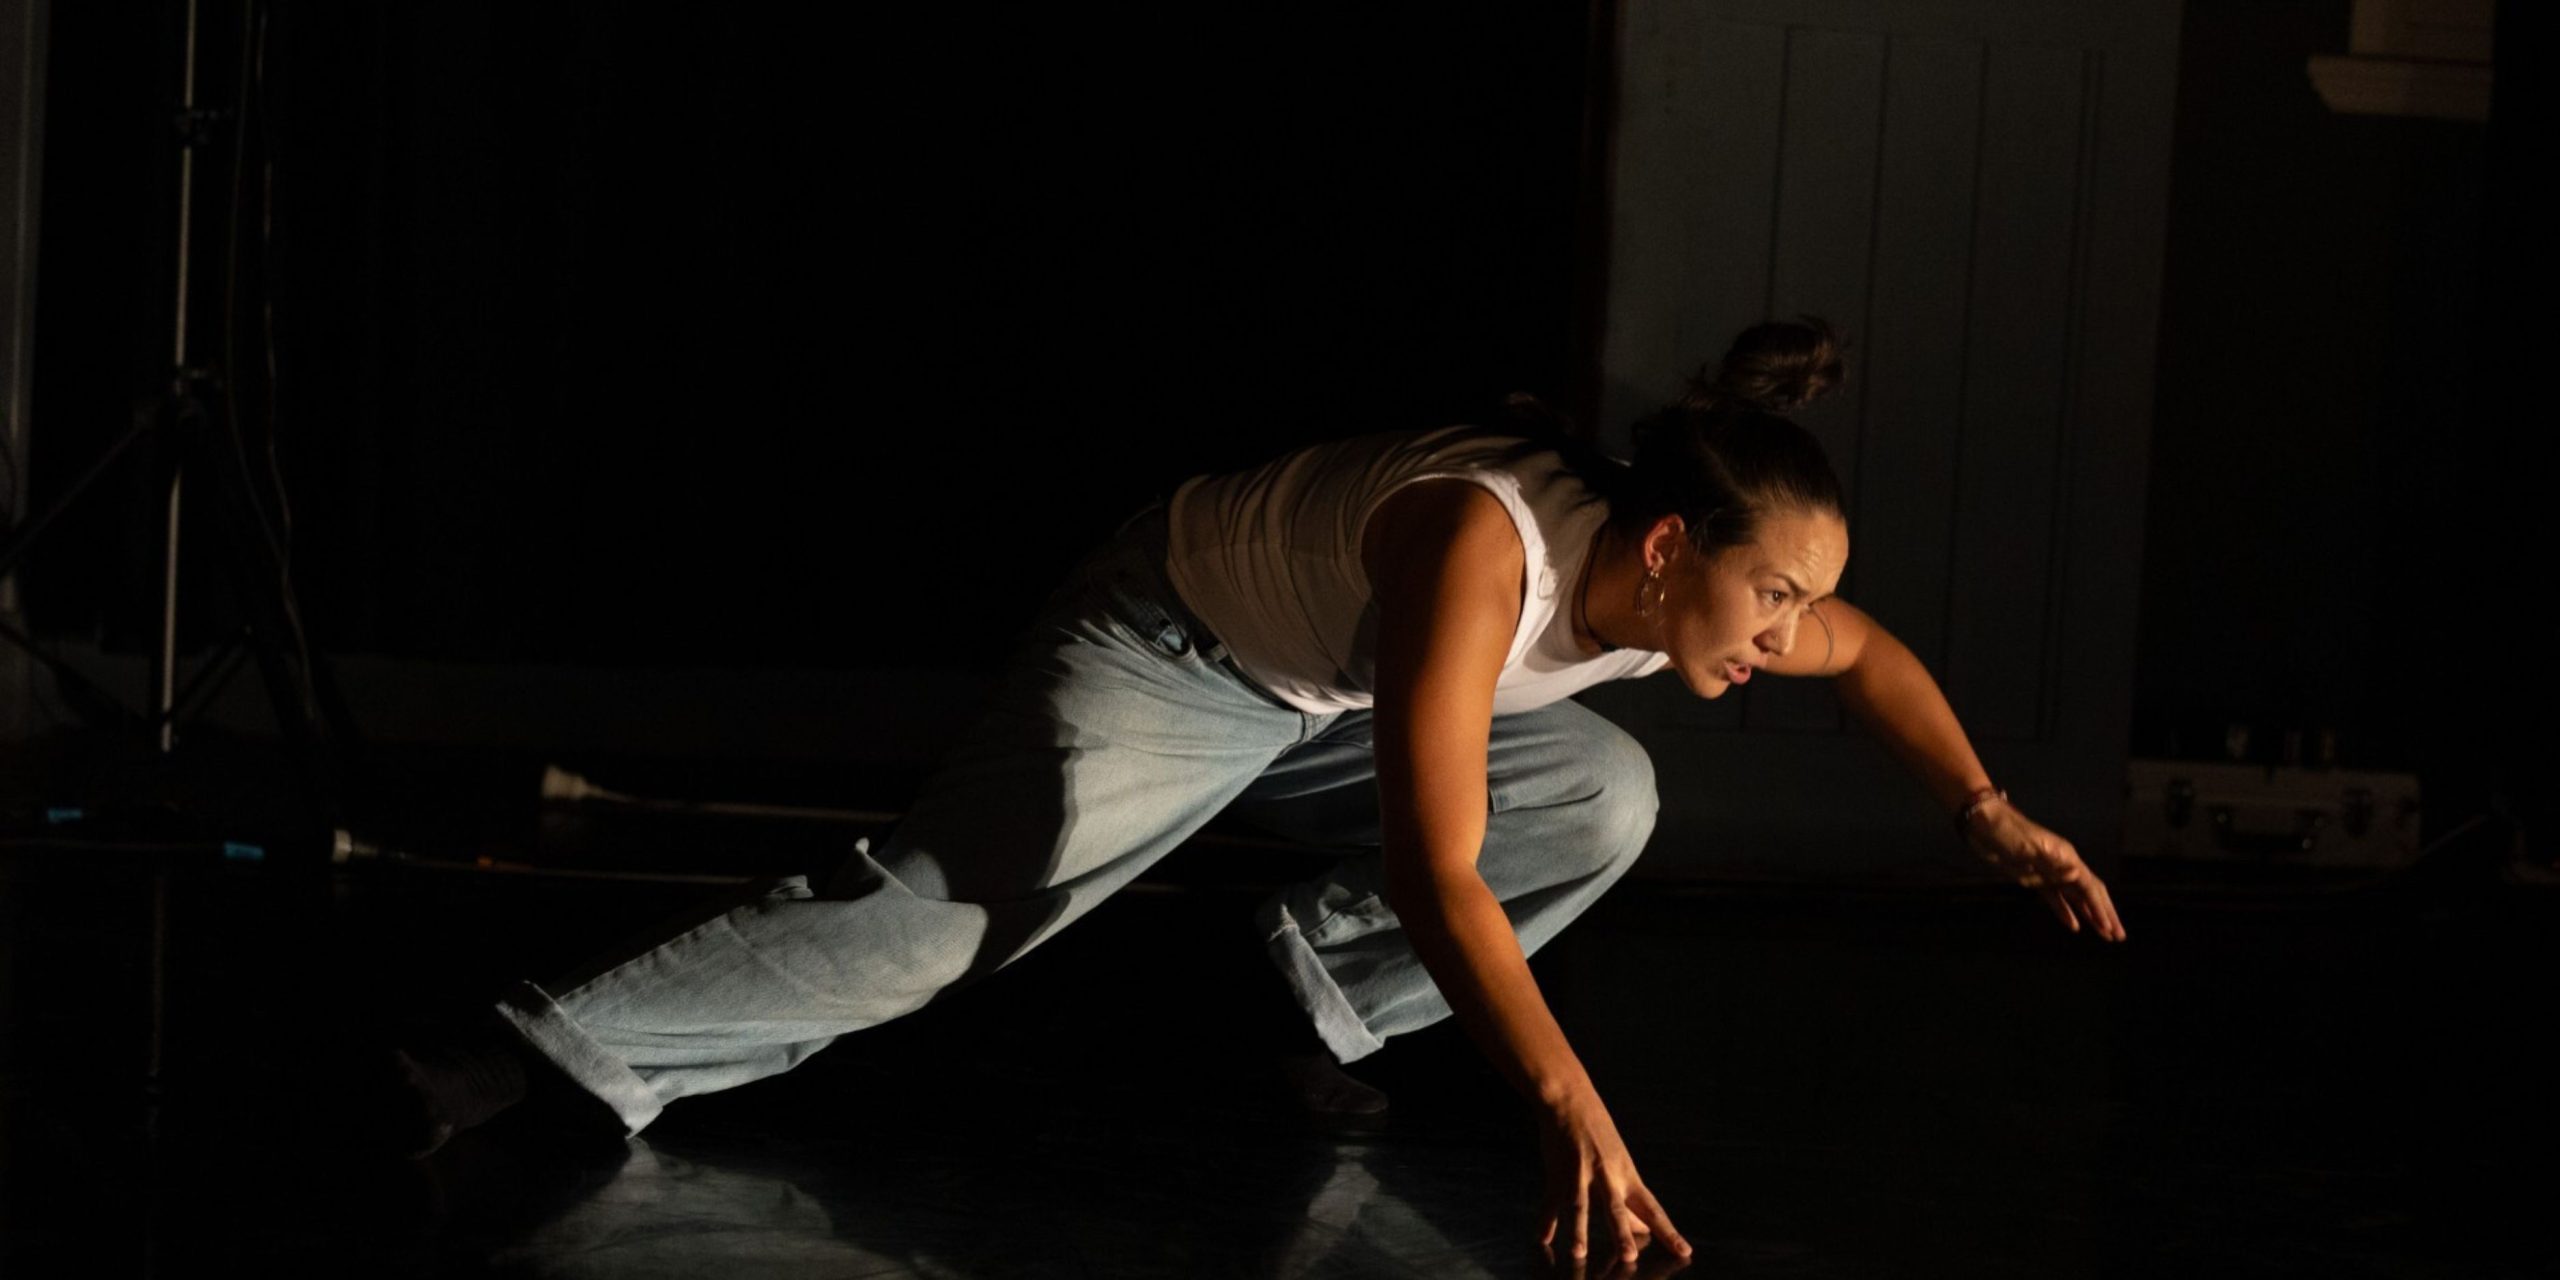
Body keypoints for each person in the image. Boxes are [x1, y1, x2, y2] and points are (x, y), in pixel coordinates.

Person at [374, 318, 2125, 1266]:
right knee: (943, 927)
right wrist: (1567, 1102)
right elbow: (1441, 872)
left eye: (1804, 600)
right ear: (1671, 553)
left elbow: (1880, 662)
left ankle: (1302, 998)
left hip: (1329, 692)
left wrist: (1979, 809)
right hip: (1176, 646)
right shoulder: (1481, 549)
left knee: (1603, 792)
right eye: (1776, 599)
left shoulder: (1699, 599)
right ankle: (536, 1056)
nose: (1793, 633)